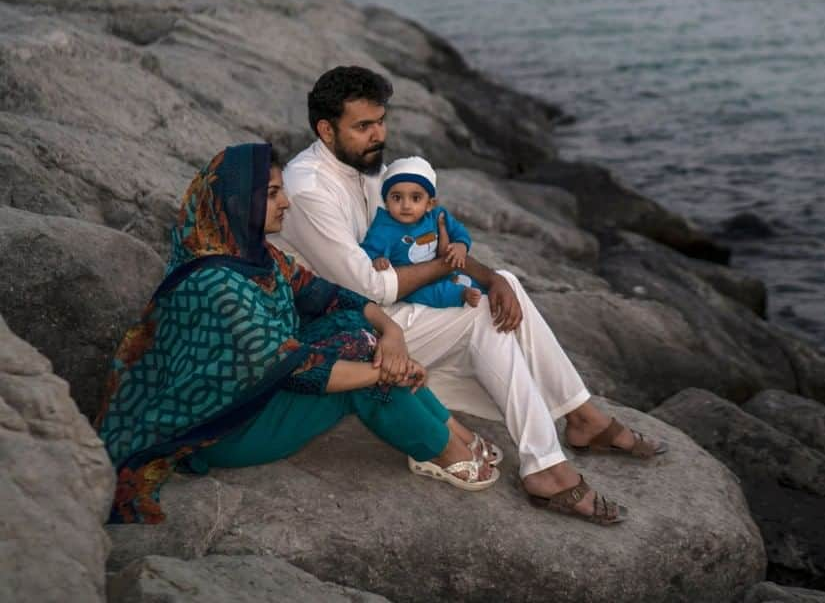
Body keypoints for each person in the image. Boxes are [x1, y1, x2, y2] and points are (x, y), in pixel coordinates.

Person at [278, 66, 668, 525]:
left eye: (381, 121)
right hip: (351, 327)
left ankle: (583, 417)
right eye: (364, 126)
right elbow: (369, 286)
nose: (378, 134)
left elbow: (422, 248)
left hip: (392, 311)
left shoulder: (367, 169)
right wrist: (457, 274)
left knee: (505, 285)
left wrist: (491, 276)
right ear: (326, 130)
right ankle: (548, 470)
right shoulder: (308, 188)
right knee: (480, 315)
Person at [96, 143, 499, 525]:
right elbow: (296, 369)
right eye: (272, 194)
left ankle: (450, 429)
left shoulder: (256, 256)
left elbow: (326, 295)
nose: (286, 202)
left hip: (256, 392)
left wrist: (391, 331)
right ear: (238, 203)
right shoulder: (218, 284)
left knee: (360, 331)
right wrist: (387, 371)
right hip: (226, 426)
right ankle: (441, 449)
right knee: (364, 372)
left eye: (281, 192)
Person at [363, 155, 484, 309]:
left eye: (415, 198)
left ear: (429, 204)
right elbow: (366, 253)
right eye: (397, 197)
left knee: (468, 279)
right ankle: (461, 295)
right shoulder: (383, 228)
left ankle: (470, 289)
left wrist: (461, 245)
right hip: (412, 284)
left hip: (442, 273)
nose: (406, 205)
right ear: (386, 202)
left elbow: (459, 230)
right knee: (430, 293)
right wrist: (376, 261)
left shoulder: (436, 216)